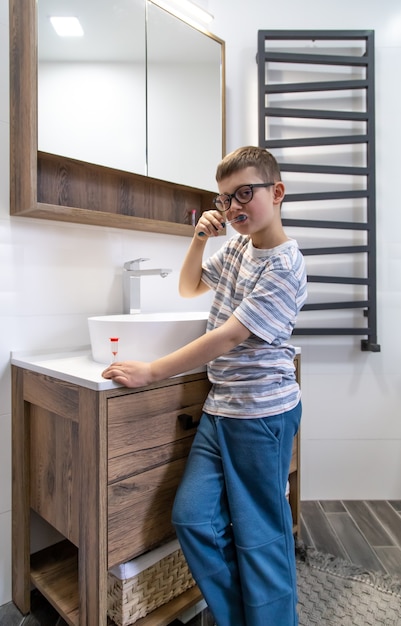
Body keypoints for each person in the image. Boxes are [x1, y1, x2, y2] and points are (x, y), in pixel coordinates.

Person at [102, 145, 307, 626]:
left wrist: (154, 371)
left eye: (244, 194)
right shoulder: (237, 245)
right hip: (222, 410)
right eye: (224, 199)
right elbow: (190, 288)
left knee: (260, 537)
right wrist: (199, 239)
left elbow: (230, 335)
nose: (233, 207)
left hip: (262, 415)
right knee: (192, 518)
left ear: (276, 193)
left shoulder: (285, 265)